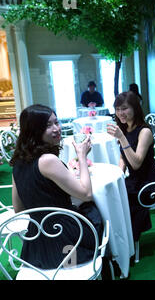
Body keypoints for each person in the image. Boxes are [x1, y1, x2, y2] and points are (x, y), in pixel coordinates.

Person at [10, 104, 103, 270]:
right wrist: (81, 156)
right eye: (48, 125)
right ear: (34, 131)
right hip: (65, 240)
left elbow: (18, 208)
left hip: (37, 242)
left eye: (56, 122)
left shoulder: (17, 162)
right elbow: (86, 193)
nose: (57, 128)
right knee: (95, 210)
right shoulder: (47, 160)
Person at [106, 91, 155, 242]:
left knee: (125, 199)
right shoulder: (126, 128)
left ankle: (129, 240)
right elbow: (123, 156)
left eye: (125, 108)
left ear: (135, 108)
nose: (120, 113)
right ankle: (116, 239)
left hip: (152, 181)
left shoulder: (145, 131)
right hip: (136, 179)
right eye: (118, 109)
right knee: (113, 194)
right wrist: (119, 176)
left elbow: (136, 163)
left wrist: (121, 138)